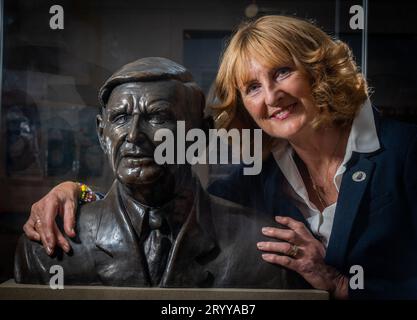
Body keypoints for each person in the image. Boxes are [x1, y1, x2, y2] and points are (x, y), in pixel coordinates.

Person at [23, 16, 417, 299]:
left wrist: (339, 284)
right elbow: (176, 200)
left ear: (319, 71)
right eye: (252, 87)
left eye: (282, 72)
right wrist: (75, 191)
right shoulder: (254, 178)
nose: (271, 96)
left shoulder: (405, 153)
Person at [15, 57, 307, 289]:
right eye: (120, 118)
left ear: (200, 134)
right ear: (102, 134)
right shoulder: (46, 249)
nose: (132, 136)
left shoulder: (263, 251)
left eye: (158, 116)